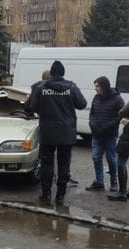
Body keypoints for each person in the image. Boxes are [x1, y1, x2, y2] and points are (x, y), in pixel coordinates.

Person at [31, 60, 87, 205]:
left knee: (47, 164)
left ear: (51, 72)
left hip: (48, 131)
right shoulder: (71, 87)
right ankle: (60, 196)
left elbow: (32, 107)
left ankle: (46, 195)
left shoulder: (41, 88)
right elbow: (82, 104)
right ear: (62, 73)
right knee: (64, 164)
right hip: (66, 132)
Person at [86, 76, 124, 192]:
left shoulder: (117, 99)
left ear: (104, 86)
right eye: (95, 86)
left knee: (111, 159)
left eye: (97, 86)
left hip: (110, 135)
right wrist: (92, 124)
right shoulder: (96, 98)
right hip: (97, 134)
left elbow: (121, 115)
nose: (96, 89)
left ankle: (114, 182)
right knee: (96, 157)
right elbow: (92, 113)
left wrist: (109, 125)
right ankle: (99, 182)